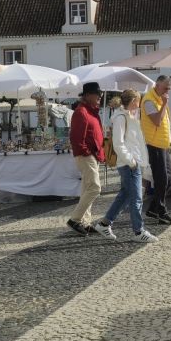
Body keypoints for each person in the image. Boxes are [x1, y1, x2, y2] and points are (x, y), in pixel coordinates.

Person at [95, 89, 158, 243]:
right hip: (129, 164)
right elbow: (118, 143)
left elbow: (133, 141)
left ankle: (104, 223)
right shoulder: (121, 117)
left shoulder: (128, 116)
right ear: (133, 101)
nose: (140, 103)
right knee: (136, 198)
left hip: (132, 163)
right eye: (138, 100)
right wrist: (132, 161)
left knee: (125, 196)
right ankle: (138, 231)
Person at [66, 82, 106, 236]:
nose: (100, 97)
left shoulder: (91, 111)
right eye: (98, 94)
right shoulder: (81, 112)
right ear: (88, 95)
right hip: (86, 155)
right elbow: (76, 138)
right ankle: (75, 219)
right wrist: (87, 152)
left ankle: (85, 222)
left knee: (87, 189)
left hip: (92, 154)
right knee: (95, 188)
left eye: (100, 94)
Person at [140, 76, 171, 226]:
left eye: (169, 88)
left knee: (169, 178)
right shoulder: (149, 100)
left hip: (163, 143)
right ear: (157, 85)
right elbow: (156, 120)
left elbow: (166, 121)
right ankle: (162, 212)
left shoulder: (159, 99)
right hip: (154, 143)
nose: (167, 91)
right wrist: (164, 105)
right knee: (162, 178)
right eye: (165, 88)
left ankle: (153, 208)